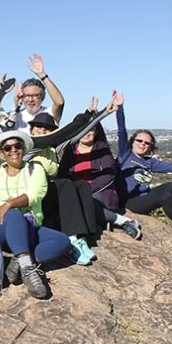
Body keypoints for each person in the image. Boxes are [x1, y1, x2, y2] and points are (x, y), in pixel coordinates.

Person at [0, 131, 70, 299]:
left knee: (62, 241)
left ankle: (19, 261)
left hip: (28, 227)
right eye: (8, 148)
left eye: (17, 146)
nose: (13, 150)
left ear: (24, 148)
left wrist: (7, 205)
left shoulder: (35, 170)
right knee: (13, 215)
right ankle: (28, 270)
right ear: (2, 153)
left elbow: (34, 195)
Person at [58, 99, 142, 240]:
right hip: (75, 192)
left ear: (96, 131)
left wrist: (85, 189)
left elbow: (108, 176)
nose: (86, 132)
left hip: (99, 193)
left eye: (90, 128)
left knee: (87, 202)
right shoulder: (70, 151)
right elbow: (62, 174)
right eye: (82, 129)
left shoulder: (102, 149)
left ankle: (123, 221)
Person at [28, 113, 98, 266]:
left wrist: (97, 115)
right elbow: (56, 136)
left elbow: (76, 136)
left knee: (82, 185)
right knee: (65, 184)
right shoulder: (29, 146)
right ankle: (71, 241)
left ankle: (83, 236)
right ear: (31, 129)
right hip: (34, 199)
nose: (43, 130)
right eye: (39, 126)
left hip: (48, 194)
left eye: (47, 127)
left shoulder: (52, 150)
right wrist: (83, 117)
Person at [115, 92, 172, 235]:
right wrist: (120, 108)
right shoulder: (125, 153)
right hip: (129, 201)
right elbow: (121, 131)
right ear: (133, 141)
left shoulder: (150, 162)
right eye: (140, 141)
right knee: (164, 197)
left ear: (150, 147)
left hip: (145, 197)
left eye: (147, 143)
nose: (143, 144)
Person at [10, 54, 65, 131]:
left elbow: (59, 103)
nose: (30, 99)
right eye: (26, 95)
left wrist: (42, 75)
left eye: (35, 95)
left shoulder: (49, 113)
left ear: (43, 97)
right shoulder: (14, 116)